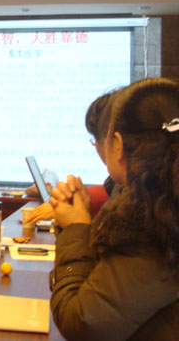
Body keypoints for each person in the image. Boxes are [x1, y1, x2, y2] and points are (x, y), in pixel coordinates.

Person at [49, 77, 179, 339]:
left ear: (117, 144)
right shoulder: (160, 199)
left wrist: (76, 228)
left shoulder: (152, 220)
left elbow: (83, 324)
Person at [25, 91, 117, 224]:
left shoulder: (131, 196)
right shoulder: (119, 186)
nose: (96, 146)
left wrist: (77, 223)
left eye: (95, 139)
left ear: (117, 142)